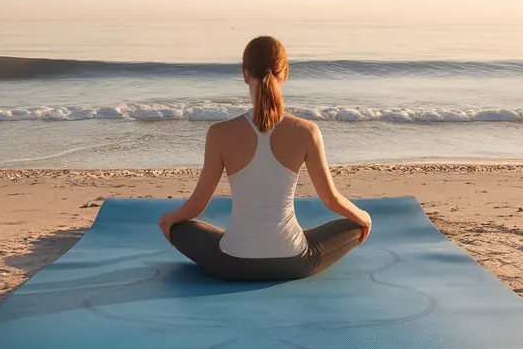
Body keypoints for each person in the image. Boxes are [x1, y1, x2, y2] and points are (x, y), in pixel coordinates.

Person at [158, 36, 372, 281]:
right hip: (295, 263)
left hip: (231, 265)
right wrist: (363, 217)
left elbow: (197, 206)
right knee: (355, 226)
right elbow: (331, 199)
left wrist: (170, 220)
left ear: (244, 73)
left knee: (180, 229)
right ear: (285, 73)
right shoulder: (307, 131)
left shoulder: (219, 133)